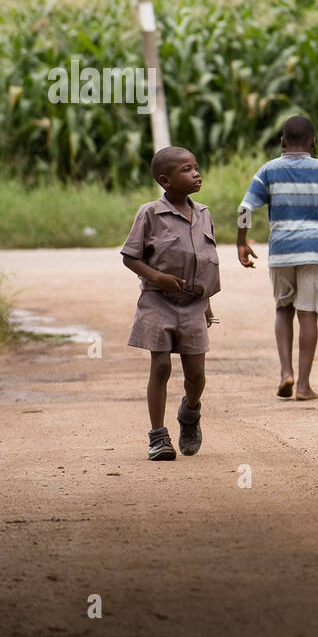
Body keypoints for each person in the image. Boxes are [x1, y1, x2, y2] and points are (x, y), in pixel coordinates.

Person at [237, 115, 318, 401]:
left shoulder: (268, 170)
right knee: (308, 315)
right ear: (313, 142)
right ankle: (304, 385)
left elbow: (246, 207)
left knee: (283, 310)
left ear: (282, 142)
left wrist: (241, 242)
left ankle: (286, 373)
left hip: (281, 250)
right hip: (313, 250)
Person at [121, 146, 220, 461]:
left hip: (193, 303)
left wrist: (206, 305)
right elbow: (130, 256)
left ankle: (190, 412)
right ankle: (158, 437)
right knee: (161, 365)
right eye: (187, 170)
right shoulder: (149, 213)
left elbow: (204, 261)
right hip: (157, 299)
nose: (196, 174)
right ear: (165, 180)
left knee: (196, 374)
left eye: (196, 167)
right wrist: (157, 277)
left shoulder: (203, 213)